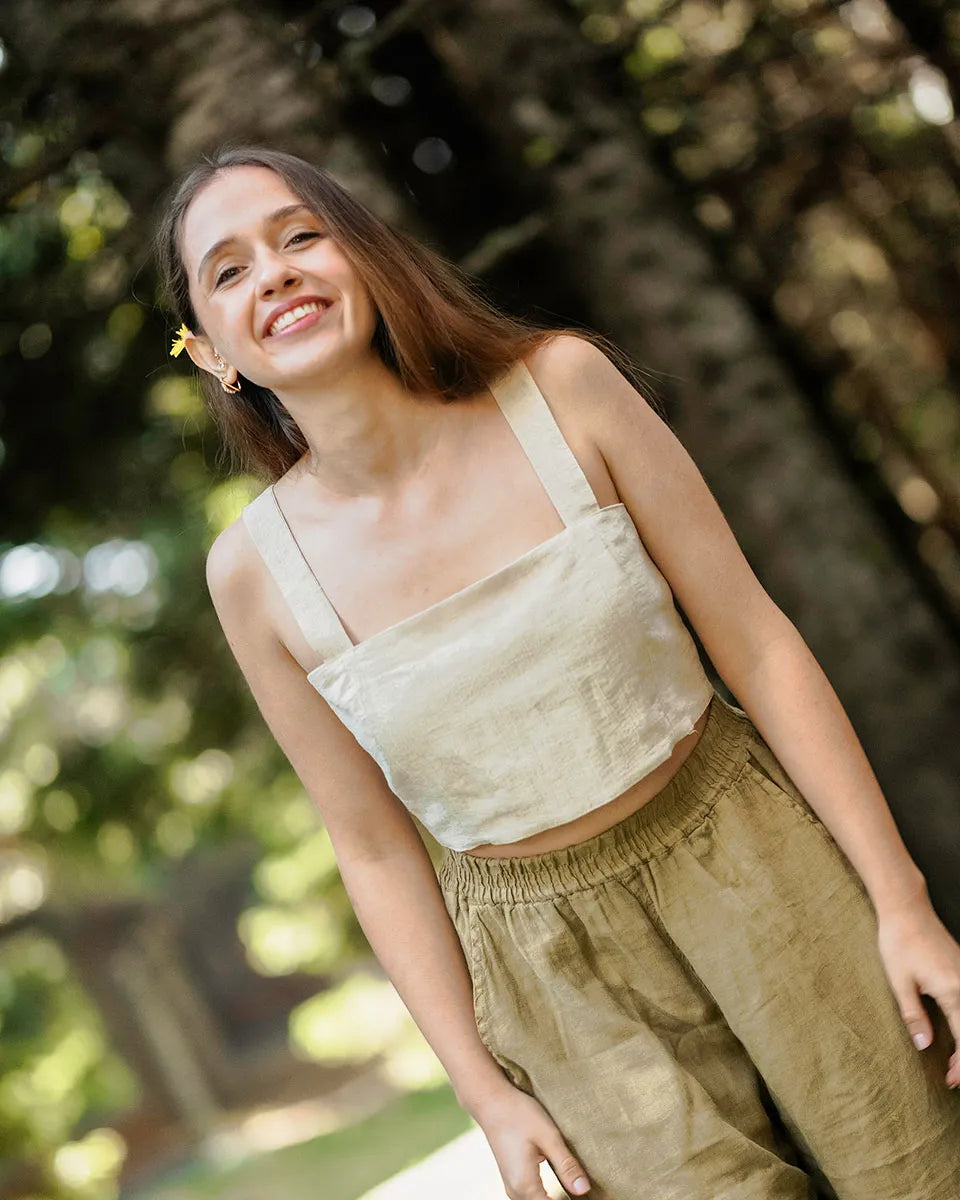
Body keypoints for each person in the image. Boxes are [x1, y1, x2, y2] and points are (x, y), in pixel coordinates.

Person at [154, 143, 960, 1200]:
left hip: (759, 866)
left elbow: (757, 643)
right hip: (557, 984)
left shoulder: (565, 388)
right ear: (212, 352)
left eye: (302, 235)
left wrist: (903, 905)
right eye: (230, 270)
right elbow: (373, 850)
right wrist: (484, 1092)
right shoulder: (254, 575)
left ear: (366, 258)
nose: (276, 272)